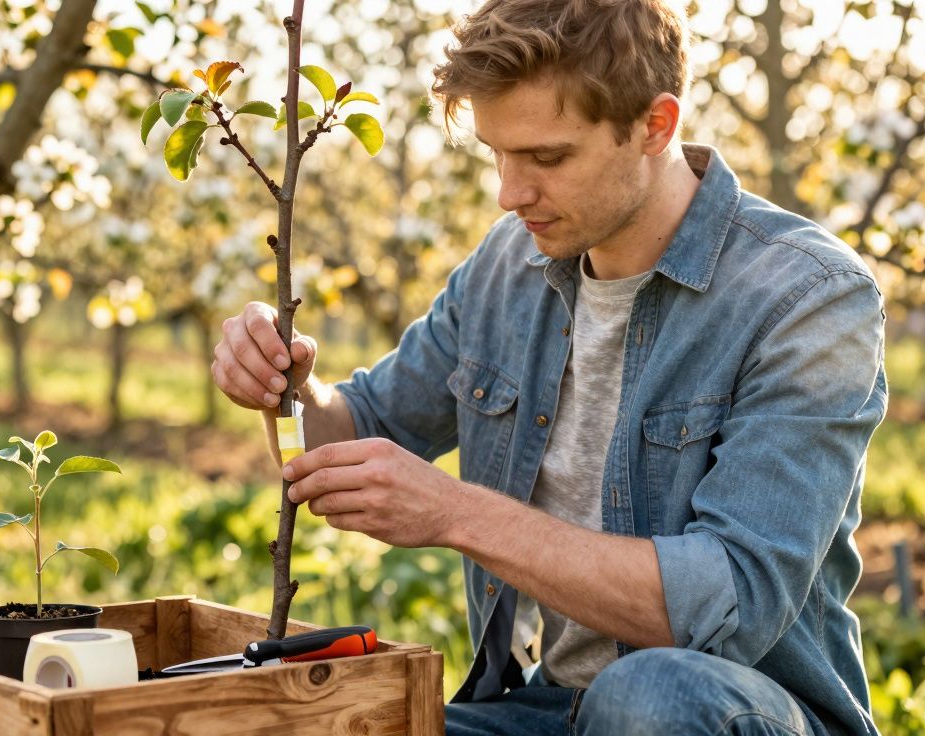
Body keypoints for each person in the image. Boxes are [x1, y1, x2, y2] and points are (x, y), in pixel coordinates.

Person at [211, 0, 887, 733]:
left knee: (649, 696)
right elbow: (358, 429)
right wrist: (284, 384)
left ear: (656, 126)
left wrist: (454, 511)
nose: (510, 193)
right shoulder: (507, 266)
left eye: (547, 157)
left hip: (730, 709)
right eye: (497, 153)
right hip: (539, 710)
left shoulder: (808, 299)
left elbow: (728, 604)